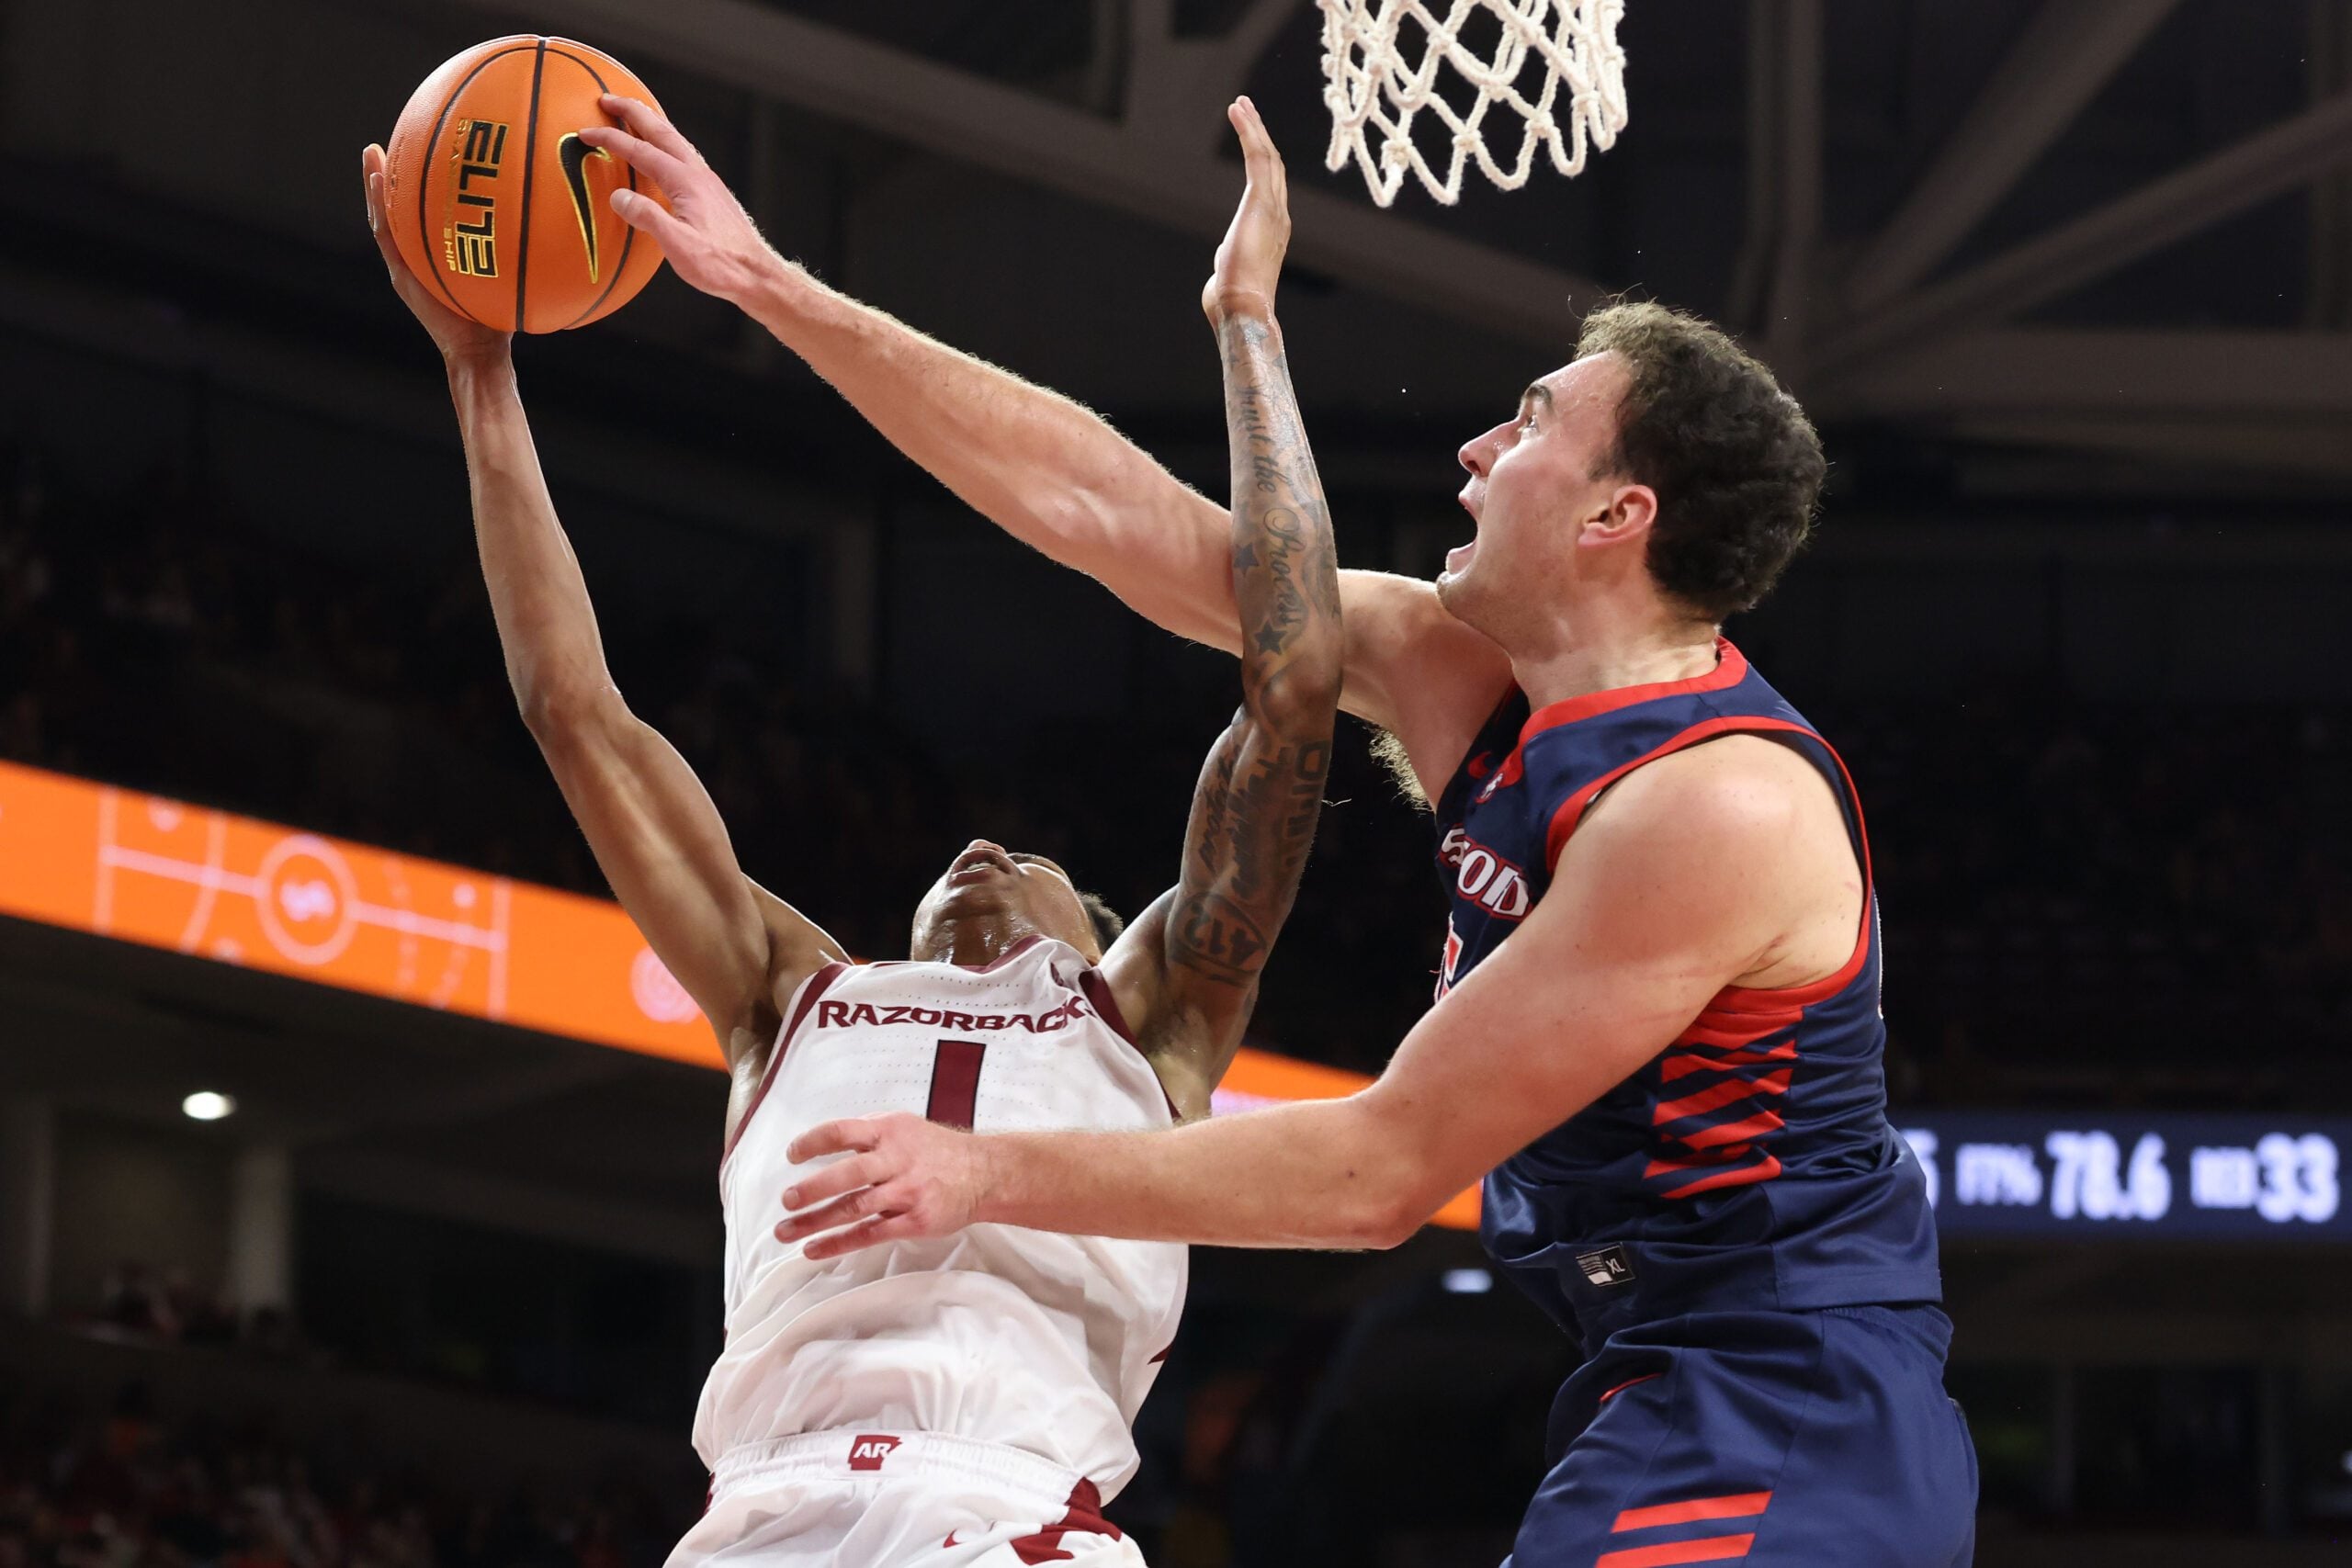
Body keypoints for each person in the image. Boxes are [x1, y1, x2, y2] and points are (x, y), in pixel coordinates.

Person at [582, 92, 1978, 1566]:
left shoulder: (1715, 805)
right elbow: (1109, 513)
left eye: (1531, 425)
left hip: (1793, 1404)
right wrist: (773, 287)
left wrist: (981, 1171)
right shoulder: (1471, 675)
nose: (1475, 449)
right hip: (1655, 1376)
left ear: (1613, 519)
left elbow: (1375, 1177)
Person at [356, 97, 1340, 1568]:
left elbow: (1297, 687)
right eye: (967, 856)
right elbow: (578, 714)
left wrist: (1248, 324)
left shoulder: (1155, 1020)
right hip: (769, 1509)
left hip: (1011, 1510)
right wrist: (482, 376)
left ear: (1109, 928)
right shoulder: (783, 992)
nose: (986, 855)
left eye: (1039, 860)